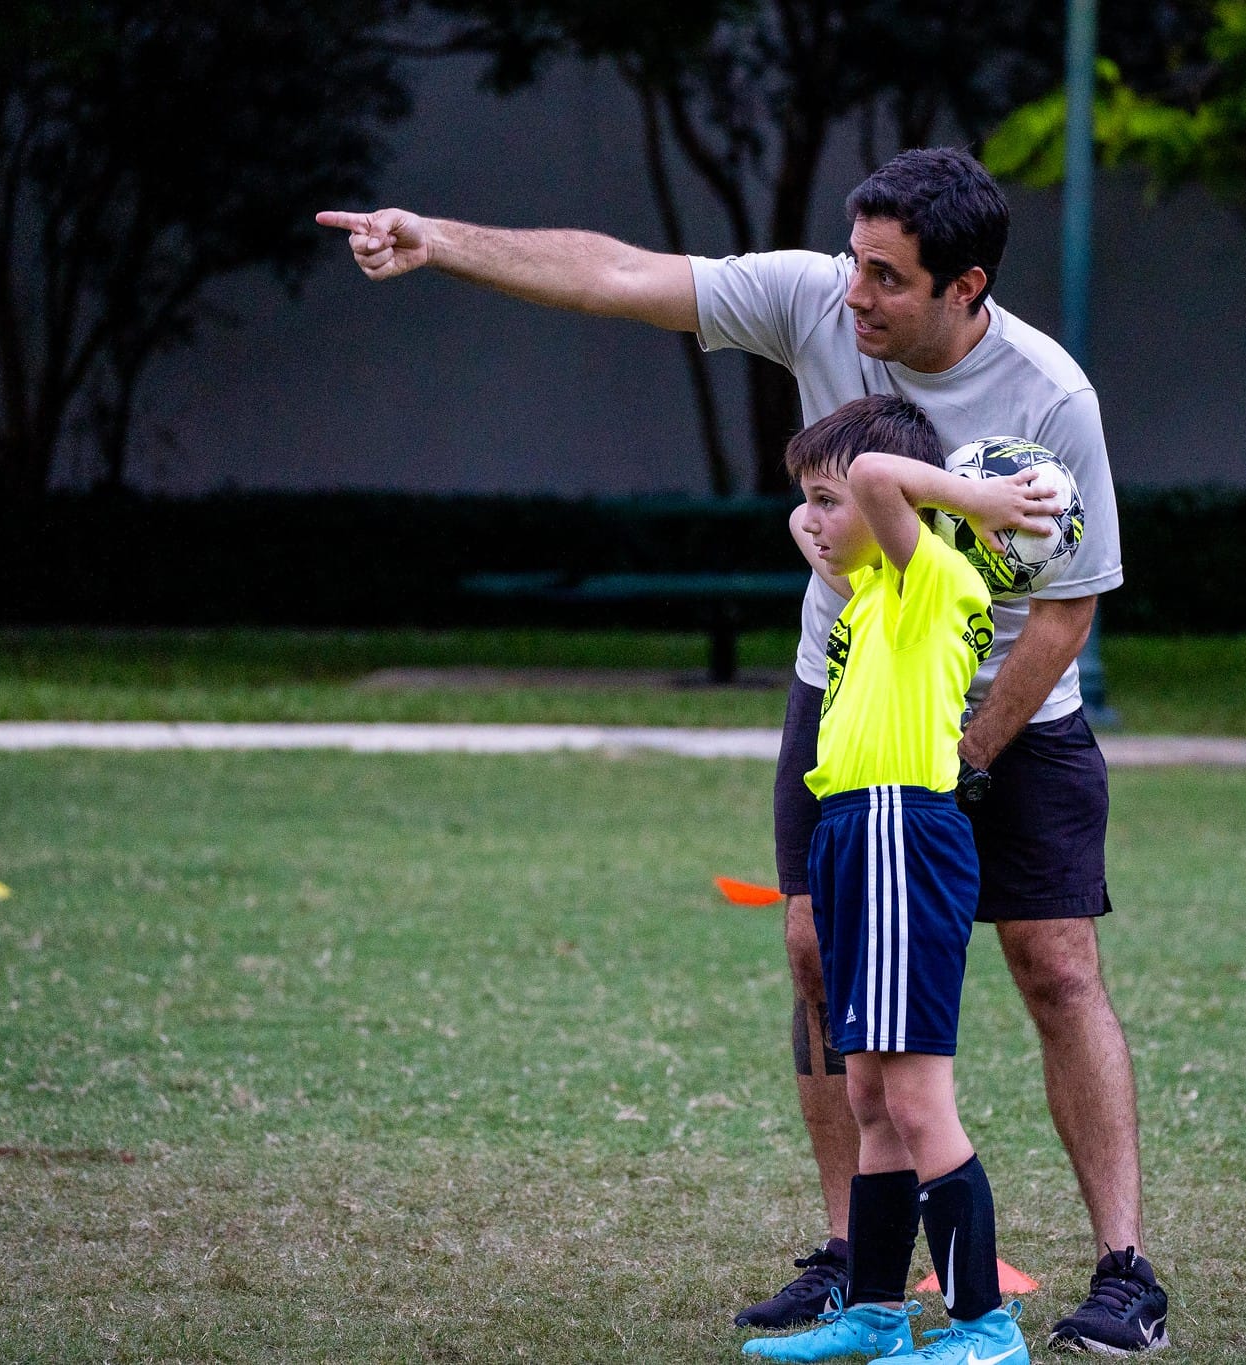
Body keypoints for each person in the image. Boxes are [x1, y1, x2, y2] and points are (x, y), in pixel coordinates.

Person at [317, 146, 1169, 1355]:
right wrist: (438, 240)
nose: (853, 293)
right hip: (847, 693)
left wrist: (961, 756)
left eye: (886, 277)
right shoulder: (815, 294)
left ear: (964, 286)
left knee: (1055, 967)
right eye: (853, 261)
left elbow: (1066, 616)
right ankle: (853, 1266)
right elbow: (617, 275)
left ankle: (1123, 1273)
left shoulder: (1048, 397)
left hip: (1006, 709)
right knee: (816, 955)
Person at [744, 393, 1042, 1365]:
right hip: (850, 834)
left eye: (829, 501)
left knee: (916, 1102)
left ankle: (985, 1331)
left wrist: (978, 500)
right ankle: (874, 1310)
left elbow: (875, 476)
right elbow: (833, 506)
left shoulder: (935, 578)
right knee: (868, 1094)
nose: (813, 520)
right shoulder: (867, 589)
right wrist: (821, 504)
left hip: (899, 831)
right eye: (809, 501)